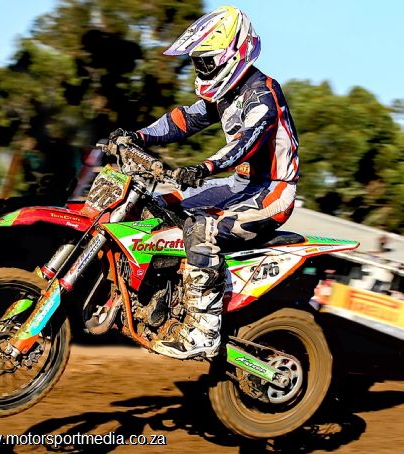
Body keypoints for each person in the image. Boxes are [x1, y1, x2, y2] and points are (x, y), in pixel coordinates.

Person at [108, 5, 299, 359]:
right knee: (155, 208)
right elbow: (183, 120)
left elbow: (244, 143)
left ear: (234, 54)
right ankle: (159, 297)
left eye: (206, 62)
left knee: (201, 228)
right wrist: (137, 136)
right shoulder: (225, 93)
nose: (201, 69)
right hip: (238, 185)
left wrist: (204, 167)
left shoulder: (262, 95)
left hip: (272, 191)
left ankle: (205, 330)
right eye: (198, 62)